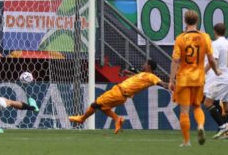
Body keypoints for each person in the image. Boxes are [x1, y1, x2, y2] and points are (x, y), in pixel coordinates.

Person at [69, 60, 167, 134]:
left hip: (119, 93)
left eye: (145, 64)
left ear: (149, 66)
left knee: (95, 104)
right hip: (120, 93)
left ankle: (82, 119)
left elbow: (161, 83)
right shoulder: (143, 75)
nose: (143, 65)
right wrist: (128, 73)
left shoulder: (151, 77)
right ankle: (117, 119)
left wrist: (172, 85)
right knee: (103, 107)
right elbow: (136, 79)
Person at [169, 10, 221, 147]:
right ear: (197, 21)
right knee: (197, 106)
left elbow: (175, 60)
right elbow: (211, 59)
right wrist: (216, 71)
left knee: (184, 111)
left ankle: (186, 141)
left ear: (185, 21)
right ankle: (200, 126)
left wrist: (170, 80)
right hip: (199, 78)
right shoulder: (205, 37)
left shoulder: (180, 38)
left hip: (184, 79)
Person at [203, 23, 228, 139]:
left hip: (221, 78)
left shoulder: (216, 44)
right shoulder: (227, 43)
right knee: (226, 107)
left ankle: (223, 126)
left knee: (207, 103)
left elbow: (213, 61)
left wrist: (203, 72)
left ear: (215, 31)